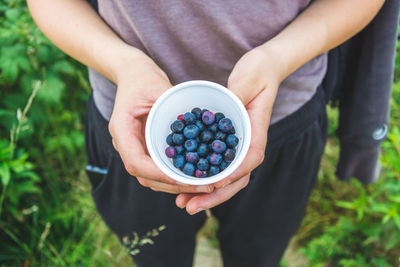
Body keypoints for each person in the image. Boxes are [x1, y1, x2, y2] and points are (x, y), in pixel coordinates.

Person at [27, 1, 385, 266]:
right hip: (134, 123)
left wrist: (279, 57)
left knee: (257, 254)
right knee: (156, 255)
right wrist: (123, 64)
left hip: (283, 115)